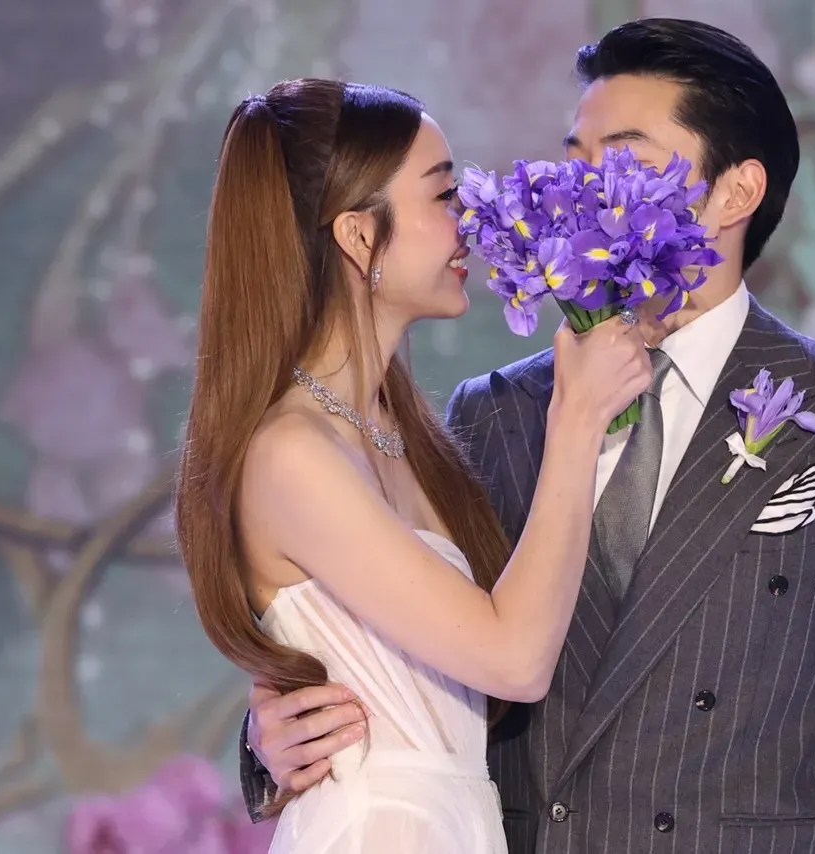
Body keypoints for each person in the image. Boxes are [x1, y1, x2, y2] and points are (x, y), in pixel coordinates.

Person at [243, 19, 815, 854]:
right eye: (574, 157)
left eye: (624, 158)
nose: (581, 188)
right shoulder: (496, 413)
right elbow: (416, 650)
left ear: (736, 193)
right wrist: (272, 739)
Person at [175, 78, 652, 853]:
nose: (469, 221)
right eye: (442, 195)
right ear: (359, 236)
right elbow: (514, 659)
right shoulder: (293, 454)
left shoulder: (406, 434)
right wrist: (577, 419)